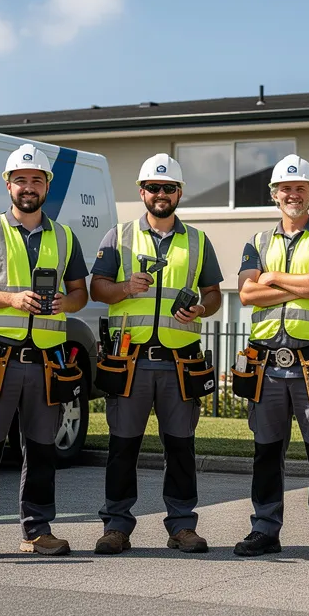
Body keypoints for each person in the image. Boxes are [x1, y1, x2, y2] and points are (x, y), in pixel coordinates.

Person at [0, 143, 89, 559]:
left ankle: (37, 530)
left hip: (46, 362)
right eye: (20, 180)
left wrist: (68, 302)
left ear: (47, 185)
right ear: (8, 185)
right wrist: (10, 300)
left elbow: (80, 292)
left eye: (36, 180)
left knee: (42, 449)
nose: (28, 187)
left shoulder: (64, 236)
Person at [90, 153, 223, 555]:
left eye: (168, 188)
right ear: (142, 191)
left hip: (179, 360)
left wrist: (201, 308)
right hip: (129, 360)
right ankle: (116, 526)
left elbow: (214, 293)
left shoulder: (198, 240)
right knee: (122, 446)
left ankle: (182, 526)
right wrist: (126, 288)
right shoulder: (119, 235)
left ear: (179, 192)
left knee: (180, 448)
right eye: (153, 187)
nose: (160, 194)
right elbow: (97, 289)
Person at [231, 155, 309, 562]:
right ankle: (265, 529)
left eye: (300, 188)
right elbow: (246, 295)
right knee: (266, 452)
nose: (292, 194)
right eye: (285, 188)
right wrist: (301, 286)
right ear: (274, 195)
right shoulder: (257, 242)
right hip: (266, 361)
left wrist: (272, 278)